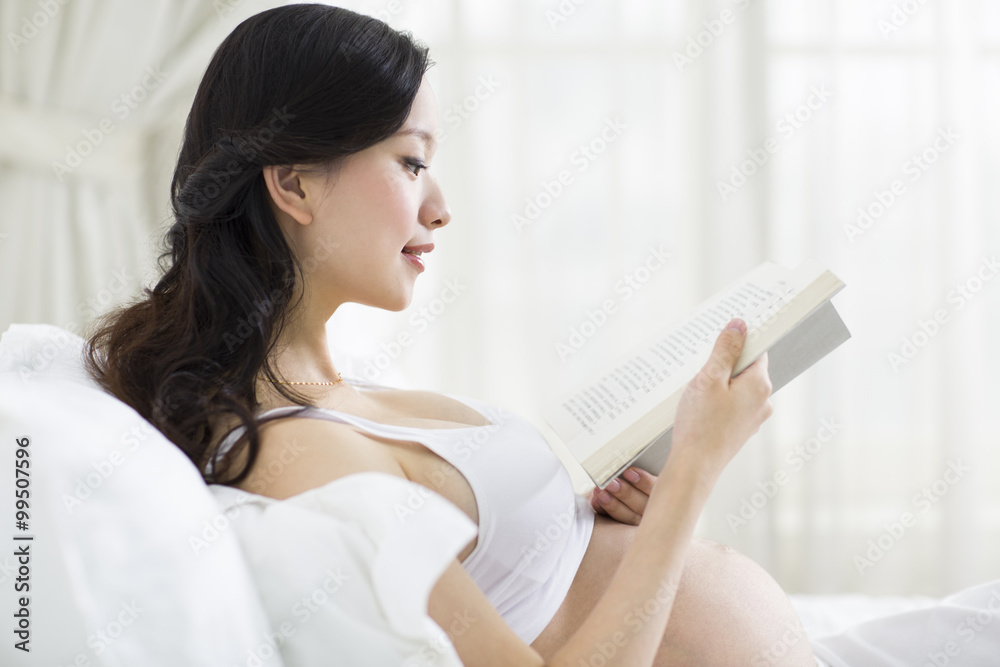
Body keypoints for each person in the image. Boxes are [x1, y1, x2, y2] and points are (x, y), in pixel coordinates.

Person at [83, 4, 817, 665]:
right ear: (295, 184)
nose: (439, 208)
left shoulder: (334, 388)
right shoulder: (300, 452)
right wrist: (694, 469)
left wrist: (636, 513)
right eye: (411, 162)